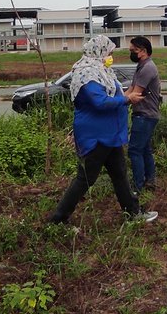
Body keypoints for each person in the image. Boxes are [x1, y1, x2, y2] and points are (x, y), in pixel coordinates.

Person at [47, 34, 157, 225]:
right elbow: (99, 101)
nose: (110, 55)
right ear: (99, 51)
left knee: (119, 173)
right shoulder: (86, 73)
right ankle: (58, 220)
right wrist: (126, 99)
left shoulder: (102, 70)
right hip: (96, 135)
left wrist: (126, 96)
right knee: (85, 178)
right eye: (109, 52)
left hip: (110, 135)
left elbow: (114, 92)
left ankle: (133, 212)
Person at [126, 35, 161, 194]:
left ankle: (137, 187)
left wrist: (115, 103)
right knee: (144, 149)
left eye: (134, 50)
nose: (131, 53)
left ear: (143, 51)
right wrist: (116, 97)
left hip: (145, 115)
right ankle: (150, 180)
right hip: (145, 114)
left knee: (134, 150)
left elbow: (135, 94)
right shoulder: (141, 66)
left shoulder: (147, 68)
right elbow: (130, 91)